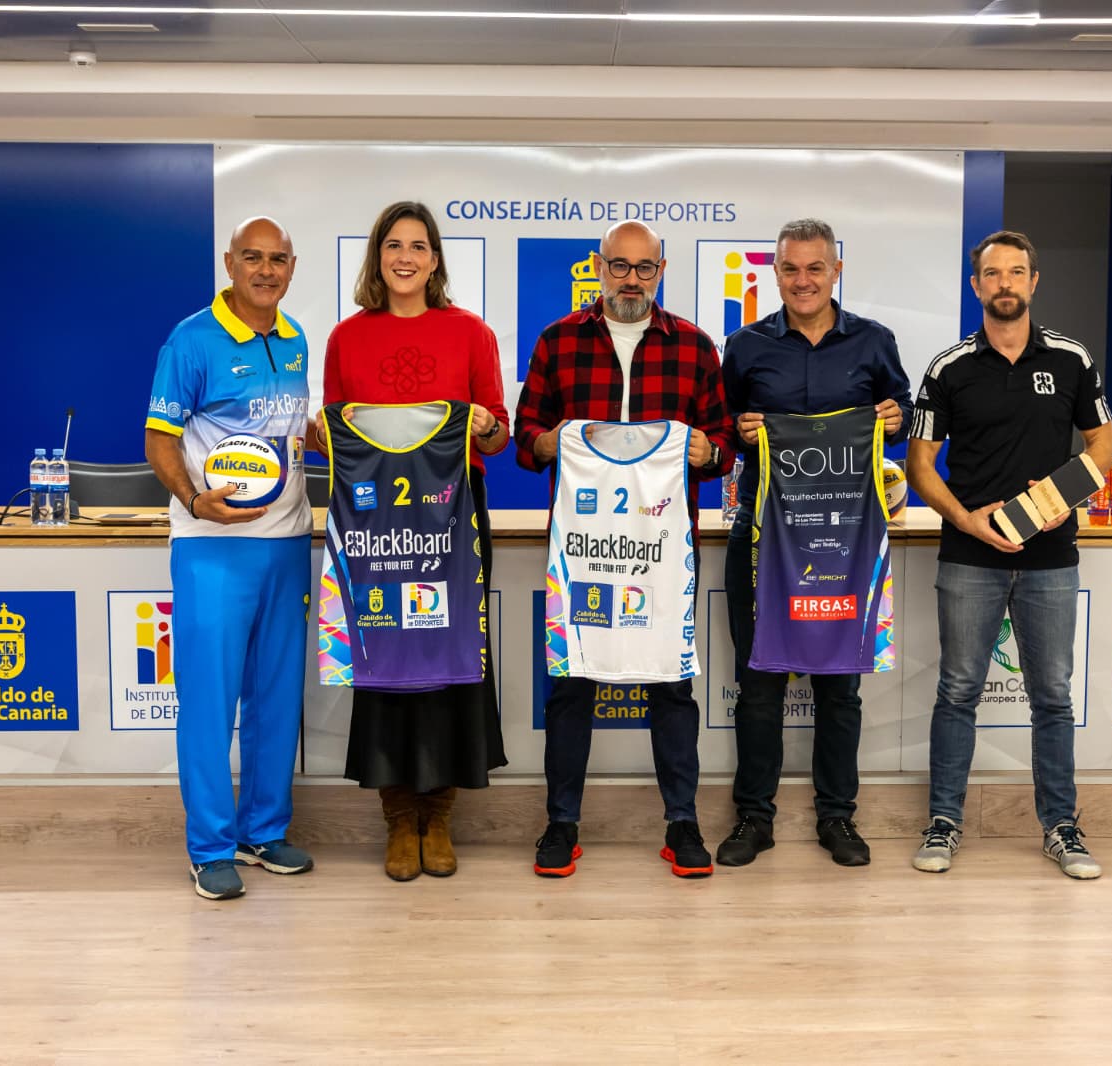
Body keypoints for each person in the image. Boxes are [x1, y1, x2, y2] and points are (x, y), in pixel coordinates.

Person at [514, 219, 734, 880]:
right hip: (583, 550)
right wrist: (552, 441)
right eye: (619, 266)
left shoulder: (694, 345)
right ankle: (561, 823)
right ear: (599, 267)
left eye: (644, 268)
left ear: (661, 271)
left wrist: (707, 452)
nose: (631, 280)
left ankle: (682, 822)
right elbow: (525, 436)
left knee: (672, 685)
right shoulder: (558, 341)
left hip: (665, 553)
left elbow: (725, 443)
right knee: (570, 685)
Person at [906, 229, 1112, 880]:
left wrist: (1062, 497)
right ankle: (944, 822)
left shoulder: (1072, 359)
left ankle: (1061, 828)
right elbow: (919, 465)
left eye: (1016, 272)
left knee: (1052, 696)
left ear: (1034, 281)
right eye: (993, 274)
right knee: (957, 692)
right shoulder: (948, 368)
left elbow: (1103, 448)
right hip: (970, 557)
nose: (1005, 283)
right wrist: (966, 520)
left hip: (1051, 556)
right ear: (976, 286)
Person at [317, 200, 509, 882]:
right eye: (394, 245)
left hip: (453, 521)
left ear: (435, 260)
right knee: (381, 657)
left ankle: (441, 815)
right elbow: (335, 439)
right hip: (375, 529)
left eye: (419, 246)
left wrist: (485, 426)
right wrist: (316, 433)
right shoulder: (345, 338)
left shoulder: (471, 333)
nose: (406, 257)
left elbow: (499, 435)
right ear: (378, 256)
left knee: (452, 658)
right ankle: (399, 818)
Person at [718, 218, 913, 869]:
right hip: (760, 536)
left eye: (815, 268)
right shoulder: (744, 346)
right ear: (775, 273)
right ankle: (754, 818)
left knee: (838, 687)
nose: (803, 280)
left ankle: (838, 817)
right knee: (759, 683)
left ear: (836, 271)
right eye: (791, 268)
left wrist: (895, 419)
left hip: (846, 540)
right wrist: (740, 430)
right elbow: (718, 428)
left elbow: (905, 415)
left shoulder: (874, 342)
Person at [144, 216, 315, 901]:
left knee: (276, 699)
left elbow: (291, 430)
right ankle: (210, 847)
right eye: (253, 257)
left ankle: (263, 831)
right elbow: (158, 439)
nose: (265, 270)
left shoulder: (296, 338)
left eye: (277, 259)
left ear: (291, 267)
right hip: (211, 547)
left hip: (288, 542)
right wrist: (193, 499)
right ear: (229, 263)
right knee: (209, 702)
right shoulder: (191, 340)